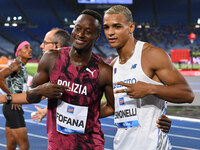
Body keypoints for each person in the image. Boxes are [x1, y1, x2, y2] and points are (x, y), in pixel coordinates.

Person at [0, 10, 171, 149]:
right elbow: (31, 94)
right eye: (77, 28)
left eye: (88, 31)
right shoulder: (51, 59)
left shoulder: (104, 71)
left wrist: (158, 119)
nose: (81, 34)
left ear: (96, 37)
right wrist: (39, 90)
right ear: (72, 30)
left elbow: (115, 106)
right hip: (57, 144)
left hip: (90, 144)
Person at [103, 5, 194, 150]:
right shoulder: (113, 65)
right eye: (106, 27)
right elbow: (112, 107)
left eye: (117, 26)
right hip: (121, 145)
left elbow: (187, 94)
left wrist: (150, 88)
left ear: (131, 27)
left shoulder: (152, 55)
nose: (110, 32)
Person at [32, 27, 71, 122]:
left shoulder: (72, 68)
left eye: (45, 43)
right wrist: (46, 110)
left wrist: (7, 98)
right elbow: (64, 95)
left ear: (56, 46)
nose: (41, 46)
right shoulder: (55, 66)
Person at [0, 41, 32, 150]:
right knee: (24, 145)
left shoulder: (21, 66)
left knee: (11, 145)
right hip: (12, 107)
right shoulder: (16, 65)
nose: (30, 50)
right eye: (26, 48)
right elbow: (0, 77)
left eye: (30, 47)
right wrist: (12, 95)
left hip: (11, 107)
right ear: (18, 52)